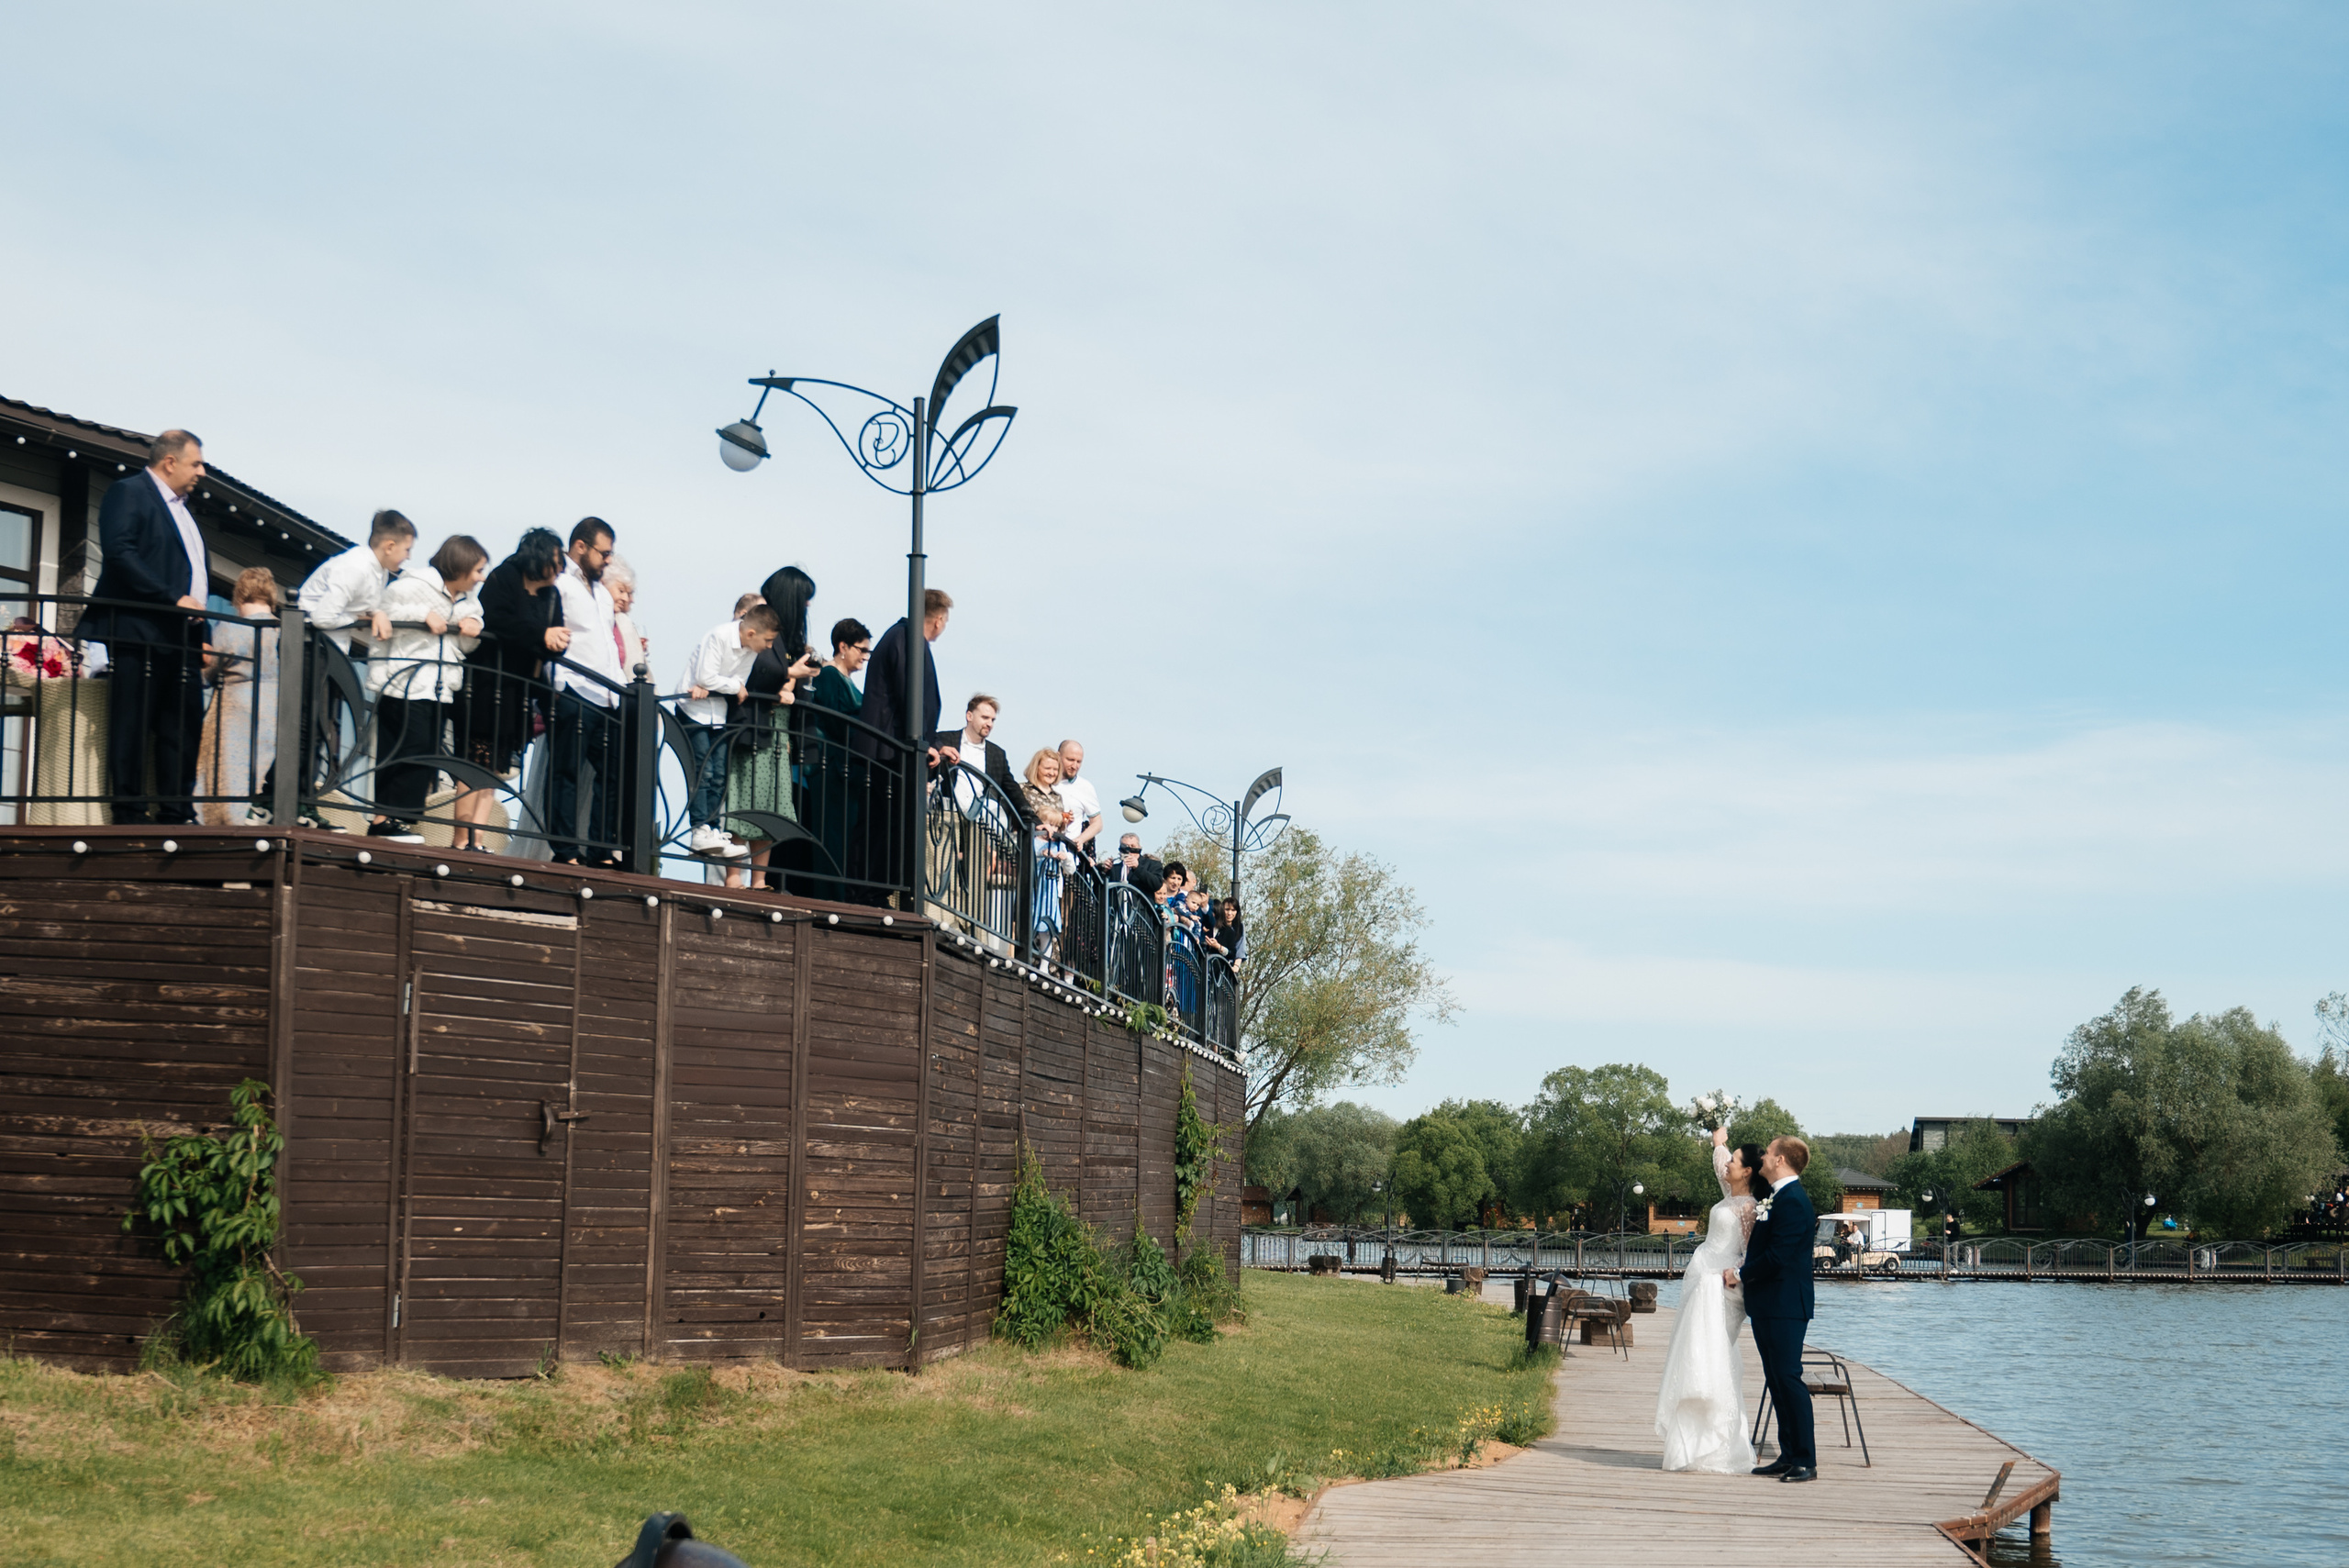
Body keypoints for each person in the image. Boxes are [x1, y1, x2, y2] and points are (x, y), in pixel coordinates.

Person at [85, 430, 212, 824]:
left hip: (182, 640)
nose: (202, 472)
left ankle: (177, 811)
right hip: (140, 631)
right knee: (134, 722)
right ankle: (130, 811)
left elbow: (196, 578)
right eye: (196, 463)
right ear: (170, 462)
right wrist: (172, 599)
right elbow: (121, 553)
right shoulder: (130, 492)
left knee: (184, 726)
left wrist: (203, 636)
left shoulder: (185, 512)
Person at [1655, 1127, 1765, 1473]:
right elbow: (1719, 1165)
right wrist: (1719, 1142)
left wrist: (1730, 1276)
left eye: (1734, 1161)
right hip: (1701, 1287)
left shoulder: (1748, 1207)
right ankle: (1691, 1444)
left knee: (1715, 1357)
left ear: (1747, 1171)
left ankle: (1720, 1444)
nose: (1727, 1165)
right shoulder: (1729, 1193)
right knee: (1695, 1355)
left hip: (1722, 1290)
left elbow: (1751, 1253)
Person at [367, 536, 486, 843]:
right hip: (402, 682)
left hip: (439, 687)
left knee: (422, 750)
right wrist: (422, 616)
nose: (481, 577)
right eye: (477, 570)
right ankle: (386, 820)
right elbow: (382, 612)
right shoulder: (412, 585)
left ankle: (390, 821)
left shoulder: (469, 602)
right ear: (460, 566)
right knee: (407, 749)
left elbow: (466, 645)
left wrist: (472, 627)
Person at [454, 528, 565, 851]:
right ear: (540, 556)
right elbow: (497, 621)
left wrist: (555, 642)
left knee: (496, 767)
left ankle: (478, 836)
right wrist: (541, 635)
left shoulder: (551, 596)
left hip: (518, 691)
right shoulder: (505, 576)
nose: (560, 569)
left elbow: (550, 635)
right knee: (472, 760)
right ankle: (461, 838)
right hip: (486, 683)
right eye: (556, 560)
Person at [1725, 1136, 1820, 1482]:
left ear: (1780, 1160)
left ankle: (1806, 1460)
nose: (1763, 1156)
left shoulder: (1793, 1201)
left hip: (1785, 1304)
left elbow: (1778, 1257)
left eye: (1767, 1152)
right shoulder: (1776, 1198)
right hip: (1768, 1304)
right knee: (1776, 1380)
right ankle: (1787, 1453)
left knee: (1789, 1378)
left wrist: (1738, 1273)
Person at [727, 567, 823, 891]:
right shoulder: (762, 626)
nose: (807, 607)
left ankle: (759, 879)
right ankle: (734, 876)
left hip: (776, 732)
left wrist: (794, 678)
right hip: (755, 727)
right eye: (805, 600)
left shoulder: (784, 637)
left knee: (769, 802)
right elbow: (757, 674)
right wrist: (791, 673)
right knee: (745, 797)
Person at [678, 601, 780, 861]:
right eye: (768, 640)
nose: (769, 647)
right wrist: (729, 686)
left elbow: (739, 683)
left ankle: (712, 829)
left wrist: (725, 686)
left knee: (720, 774)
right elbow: (707, 677)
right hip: (694, 710)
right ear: (751, 634)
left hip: (718, 713)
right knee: (704, 770)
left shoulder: (751, 650)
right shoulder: (719, 636)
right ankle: (699, 829)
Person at [549, 517, 624, 866]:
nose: (608, 560)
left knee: (613, 772)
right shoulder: (560, 584)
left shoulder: (603, 596)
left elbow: (606, 642)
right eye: (603, 553)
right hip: (573, 687)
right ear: (580, 546)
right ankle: (565, 849)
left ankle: (601, 848)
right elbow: (552, 631)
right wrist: (557, 683)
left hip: (608, 694)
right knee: (566, 770)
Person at [195, 567, 281, 827]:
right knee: (260, 763)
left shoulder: (231, 627)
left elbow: (206, 673)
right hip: (273, 705)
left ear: (240, 596)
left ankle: (220, 821)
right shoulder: (283, 632)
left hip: (234, 704)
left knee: (225, 767)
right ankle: (254, 814)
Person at [804, 617, 871, 895]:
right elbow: (835, 721)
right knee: (832, 837)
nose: (865, 657)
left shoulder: (848, 682)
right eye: (861, 649)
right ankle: (831, 896)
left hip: (846, 772)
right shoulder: (829, 676)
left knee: (845, 839)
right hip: (831, 769)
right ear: (843, 646)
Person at [1053, 739, 1103, 857]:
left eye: (1079, 761)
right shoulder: (1046, 780)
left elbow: (1097, 823)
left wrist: (1080, 839)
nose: (1074, 766)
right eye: (1070, 760)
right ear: (1058, 756)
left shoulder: (1085, 787)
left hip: (1067, 854)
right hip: (1043, 849)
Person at [1105, 832, 1165, 898]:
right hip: (1117, 907)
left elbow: (1156, 884)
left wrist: (1137, 868)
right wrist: (1103, 871)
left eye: (1133, 846)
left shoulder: (1152, 864)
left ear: (1139, 847)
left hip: (1140, 906)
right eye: (1125, 847)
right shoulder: (1114, 869)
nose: (1129, 851)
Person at [1020, 746, 1063, 827]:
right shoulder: (1022, 789)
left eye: (1055, 769)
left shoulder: (1057, 797)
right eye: (1047, 768)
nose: (1051, 773)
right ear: (1036, 768)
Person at [1203, 894, 1245, 969]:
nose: (1229, 913)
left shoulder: (1238, 927)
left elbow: (1239, 950)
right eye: (1227, 910)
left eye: (1233, 910)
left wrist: (1236, 966)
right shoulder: (1211, 927)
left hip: (1228, 966)